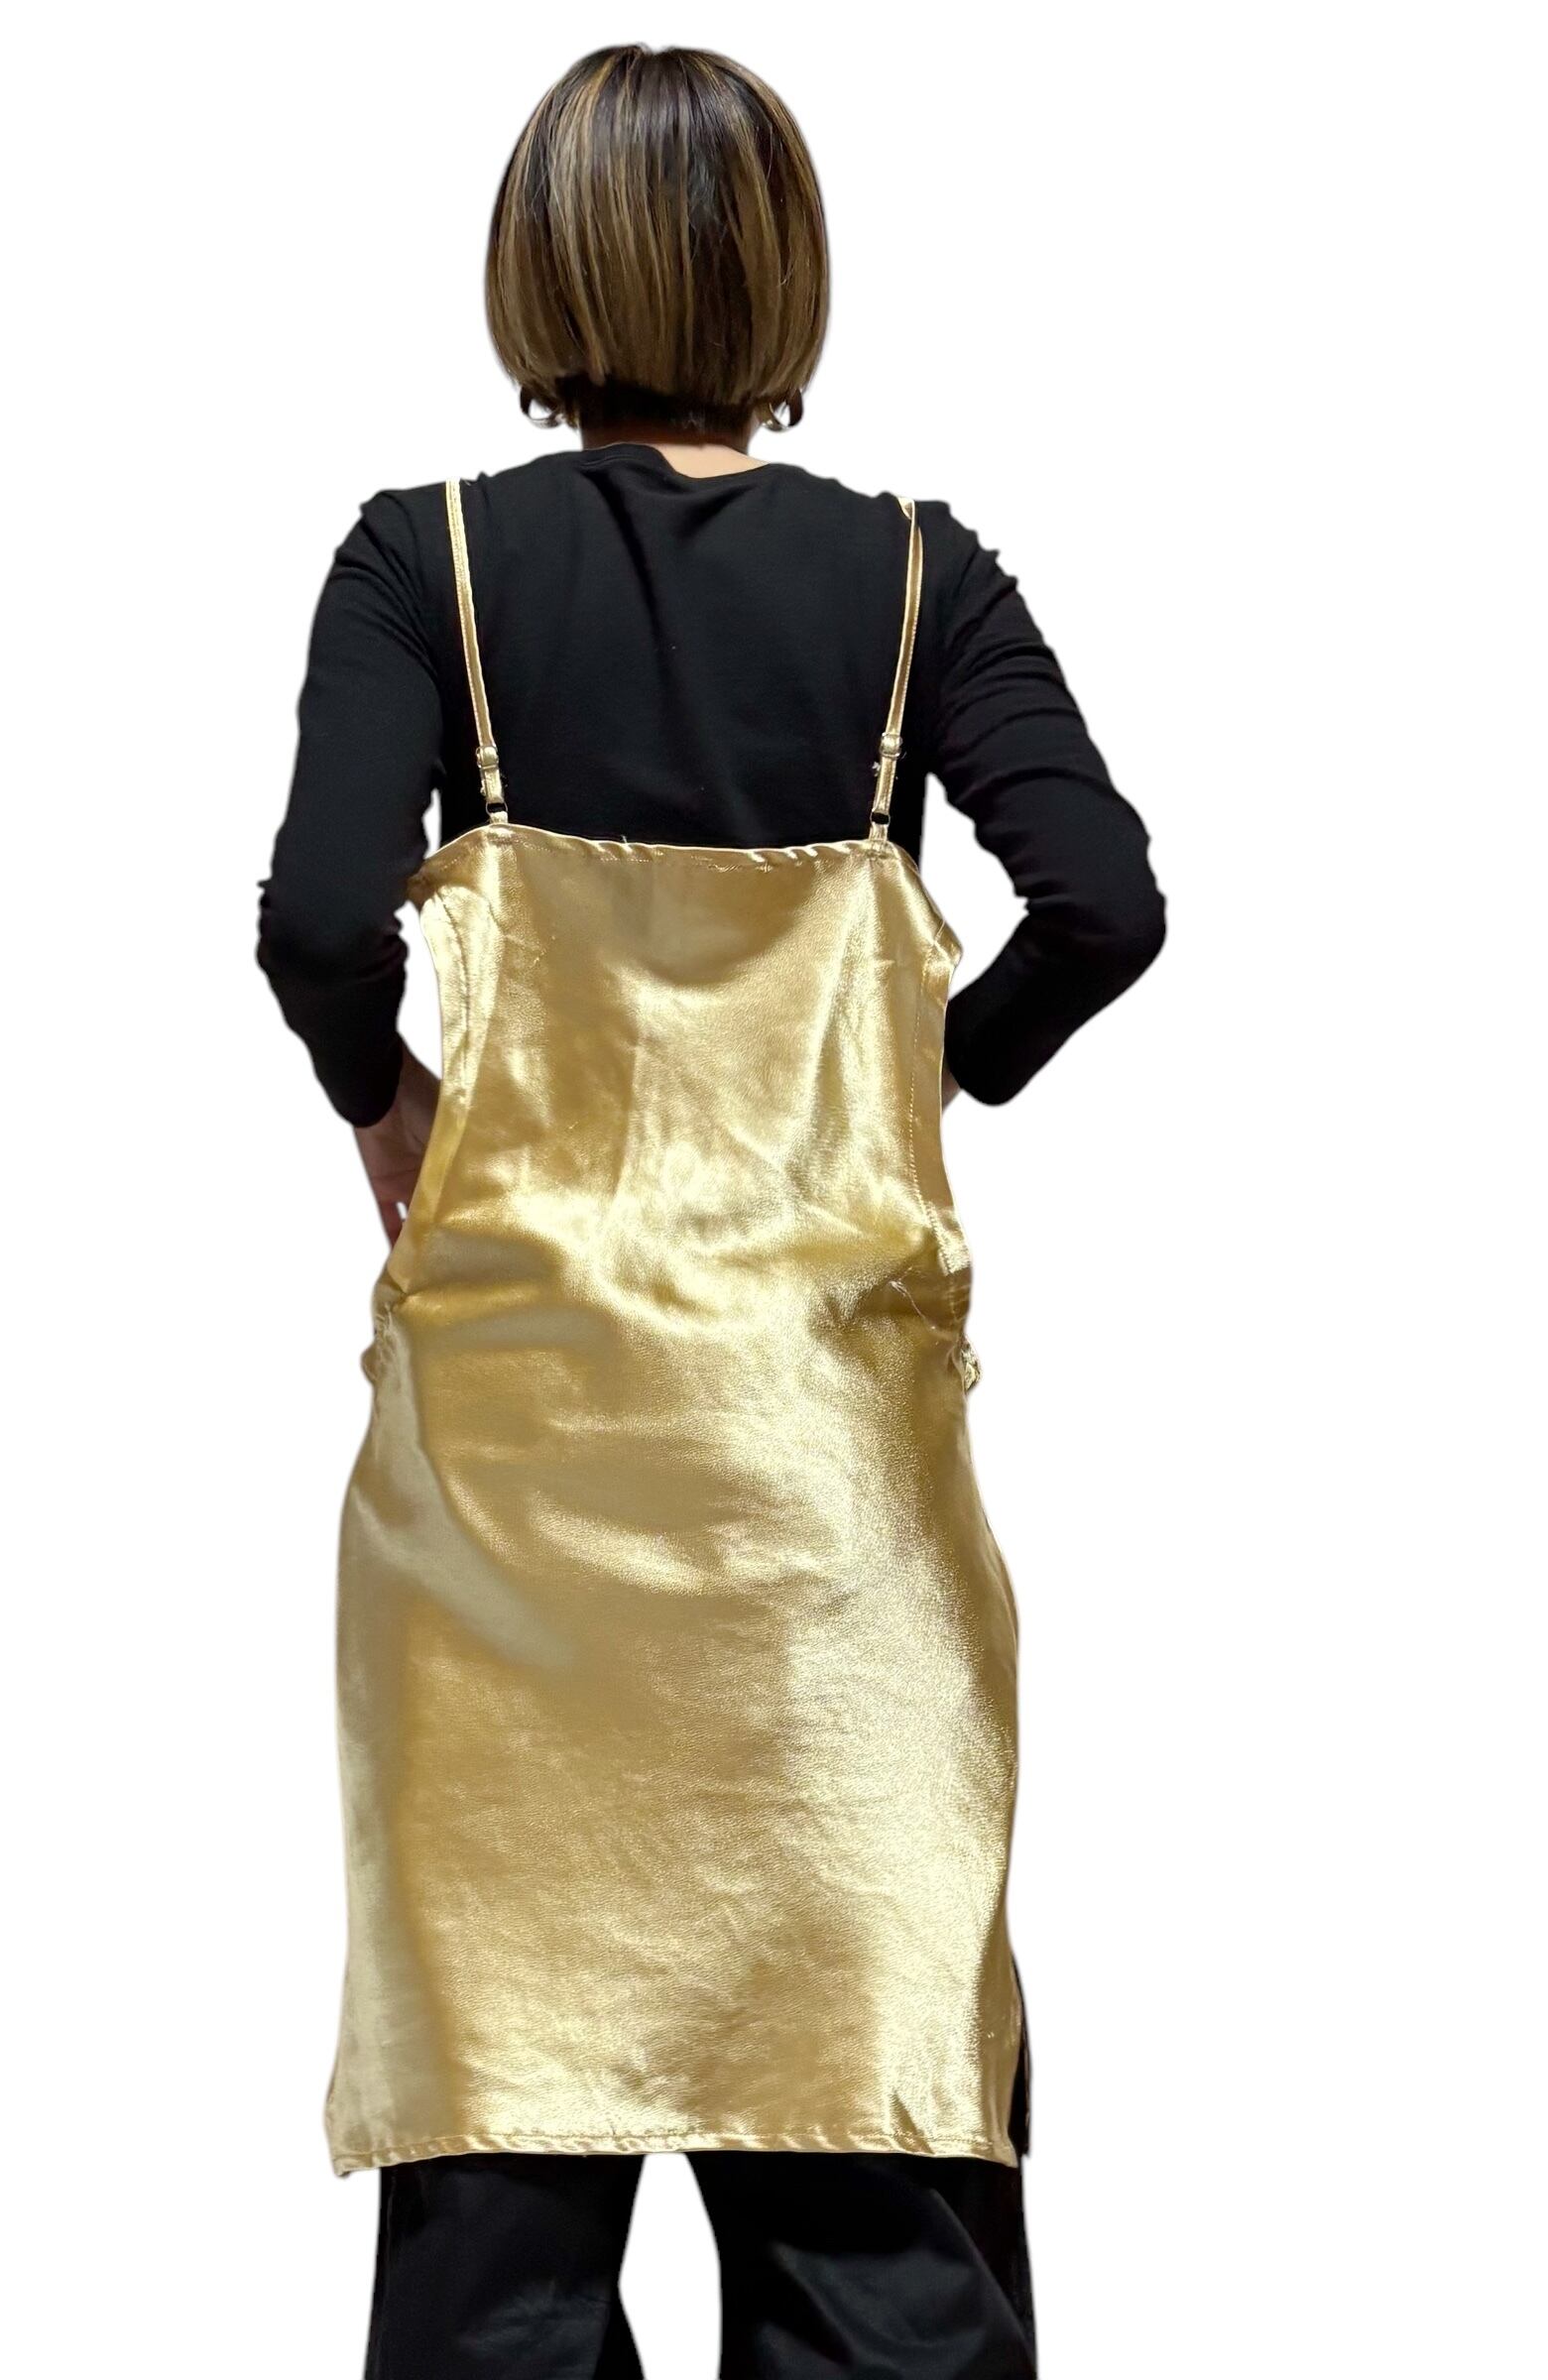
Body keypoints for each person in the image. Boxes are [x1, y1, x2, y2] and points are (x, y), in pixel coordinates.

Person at [257, 43, 1165, 2379]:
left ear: (535, 269)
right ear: (785, 270)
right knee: (877, 2184)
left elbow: (314, 921)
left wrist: (383, 1100)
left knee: (501, 2218)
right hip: (826, 1494)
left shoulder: (430, 564)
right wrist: (915, 1077)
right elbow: (1107, 901)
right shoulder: (918, 580)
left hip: (510, 1500)